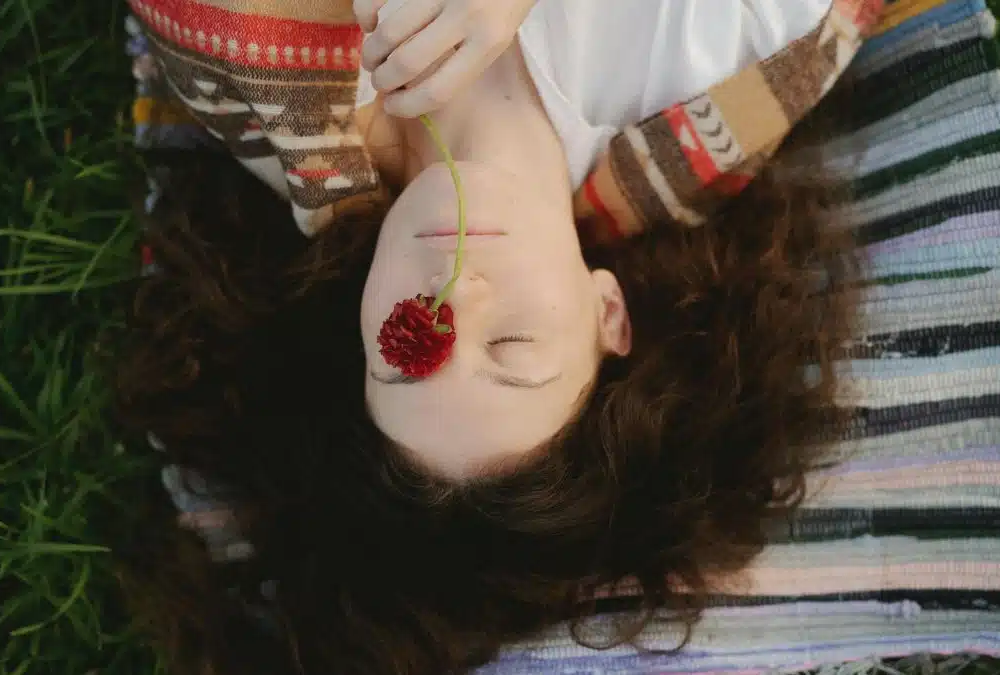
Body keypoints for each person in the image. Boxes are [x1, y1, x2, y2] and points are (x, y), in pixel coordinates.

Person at [115, 1, 878, 673]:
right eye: (513, 346)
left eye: (412, 346)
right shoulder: (703, 65)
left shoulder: (271, 89)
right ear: (606, 312)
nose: (463, 291)